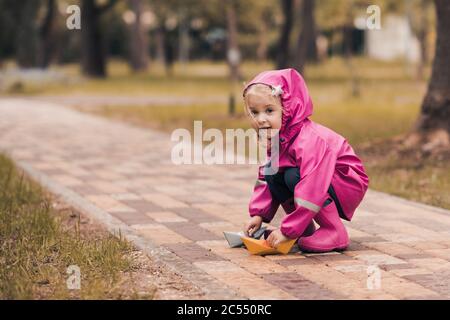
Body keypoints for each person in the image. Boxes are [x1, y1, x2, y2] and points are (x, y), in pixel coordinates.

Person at [243, 68, 369, 253]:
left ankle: (333, 230)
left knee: (294, 176)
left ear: (288, 108)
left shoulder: (309, 140)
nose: (261, 119)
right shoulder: (278, 136)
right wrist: (258, 215)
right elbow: (267, 175)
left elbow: (312, 186)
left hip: (347, 180)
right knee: (274, 172)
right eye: (255, 112)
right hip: (319, 181)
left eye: (269, 110)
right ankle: (304, 227)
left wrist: (287, 230)